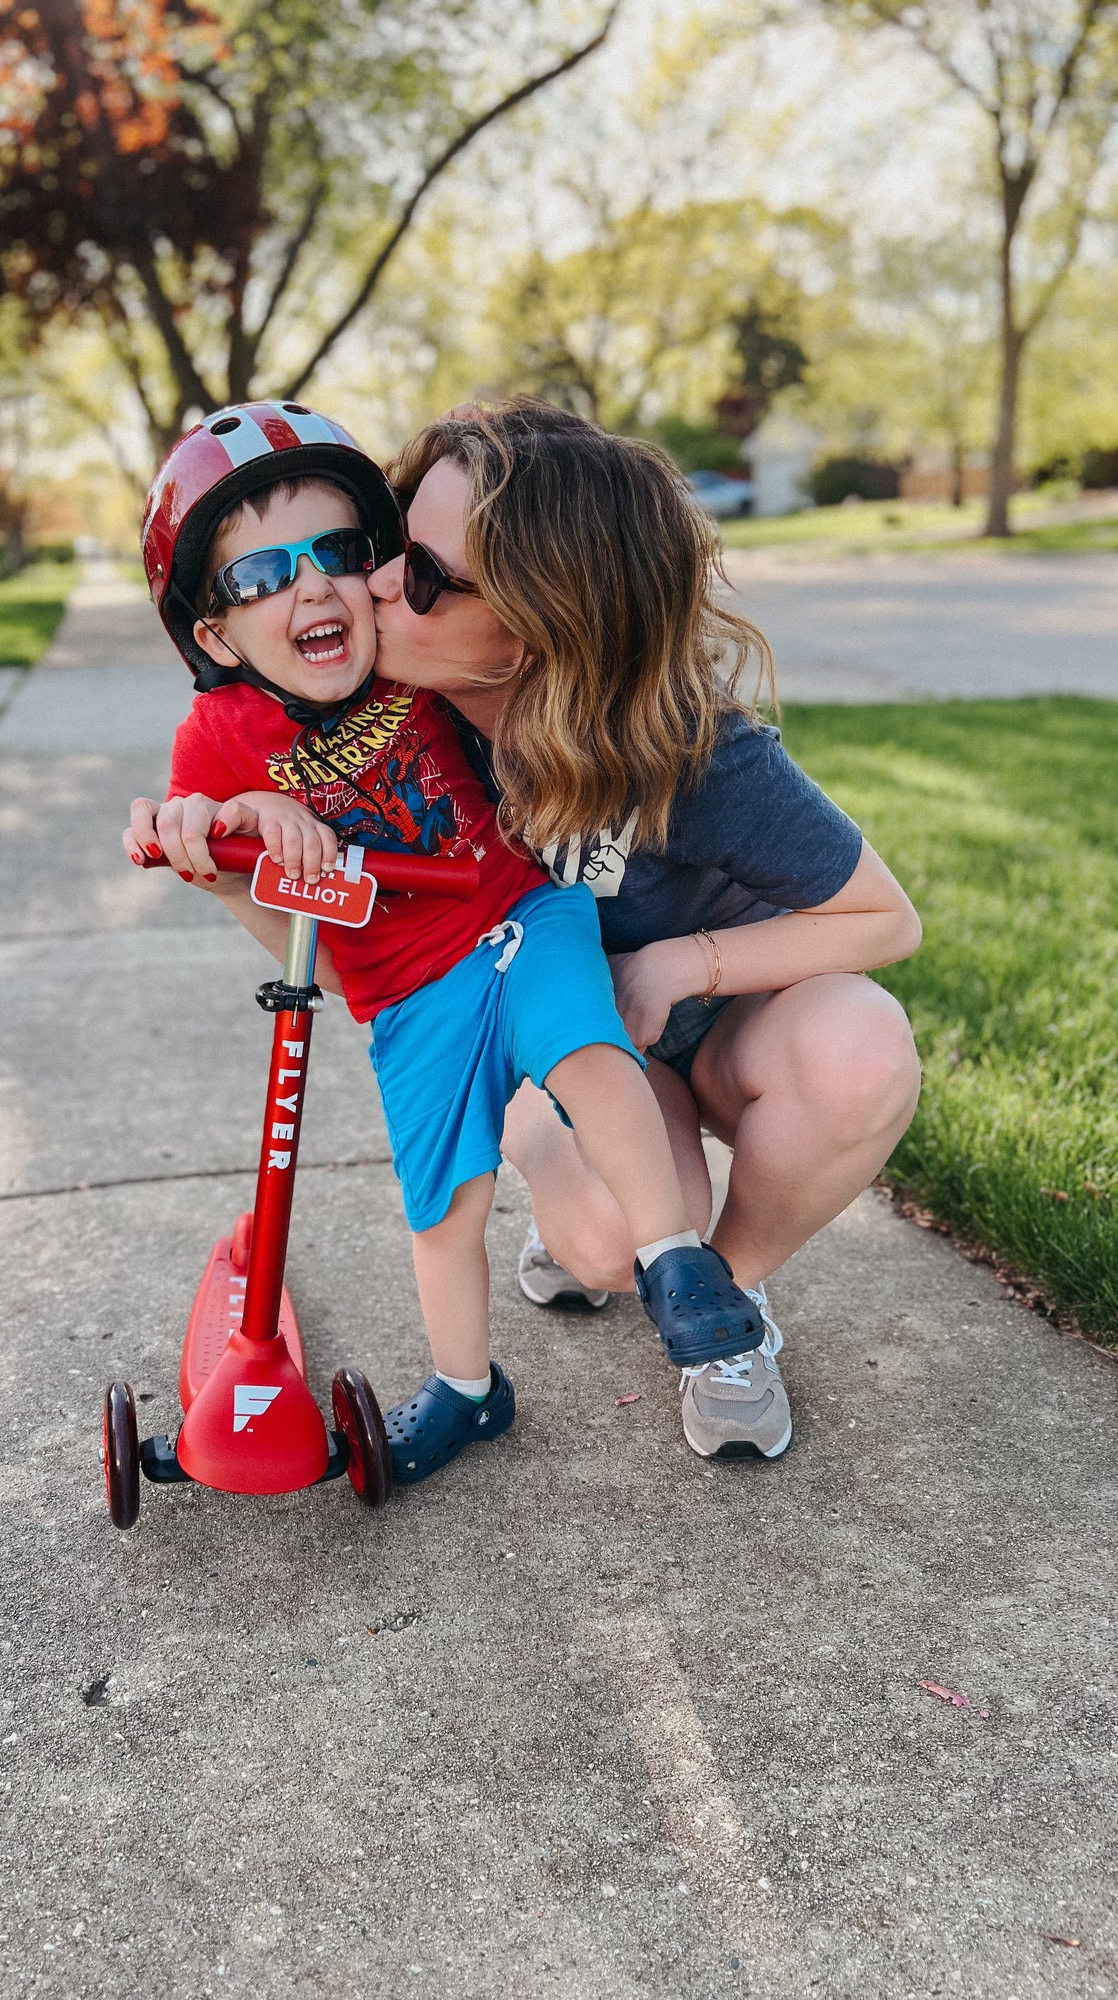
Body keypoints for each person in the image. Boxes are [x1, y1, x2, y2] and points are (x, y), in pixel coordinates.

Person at [126, 398, 764, 1485]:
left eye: (339, 552)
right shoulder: (221, 735)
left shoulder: (409, 655)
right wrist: (223, 823)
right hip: (405, 990)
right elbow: (197, 828)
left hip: (517, 908)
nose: (316, 587)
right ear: (213, 634)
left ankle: (675, 1258)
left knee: (580, 1042)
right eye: (262, 577)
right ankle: (469, 1391)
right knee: (444, 1206)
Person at [364, 398, 924, 1461]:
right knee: (612, 1240)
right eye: (395, 544)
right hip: (582, 1042)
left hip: (721, 1024)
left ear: (542, 624)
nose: (386, 583)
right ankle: (551, 1146)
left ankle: (724, 1309)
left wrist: (683, 961)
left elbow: (885, 919)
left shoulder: (689, 748)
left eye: (426, 576)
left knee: (864, 1049)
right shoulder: (401, 733)